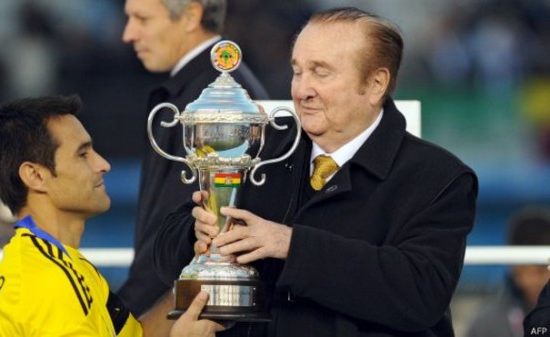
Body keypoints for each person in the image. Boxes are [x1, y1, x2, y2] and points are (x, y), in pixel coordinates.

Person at [152, 7, 478, 337]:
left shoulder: (439, 177)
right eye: (297, 71)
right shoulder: (263, 147)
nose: (301, 90)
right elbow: (163, 252)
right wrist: (196, 235)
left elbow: (420, 294)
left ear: (376, 83)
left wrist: (291, 245)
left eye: (321, 73)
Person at [0, 95, 224, 337]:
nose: (103, 164)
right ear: (35, 176)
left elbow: (137, 334)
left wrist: (196, 276)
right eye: (82, 154)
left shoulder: (63, 264)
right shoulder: (45, 282)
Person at [119, 0, 269, 333]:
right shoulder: (199, 90)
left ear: (190, 16)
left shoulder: (209, 100)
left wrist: (127, 323)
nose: (128, 34)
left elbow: (167, 233)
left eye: (141, 18)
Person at [466, 206, 550, 337]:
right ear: (512, 266)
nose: (530, 280)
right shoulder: (487, 324)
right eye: (522, 270)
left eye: (541, 271)